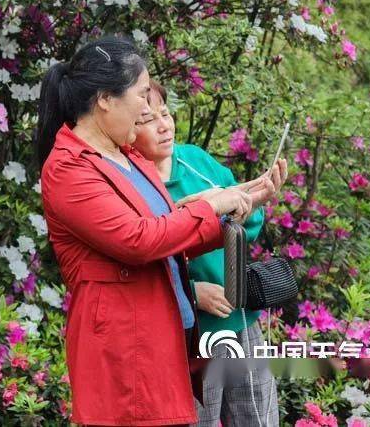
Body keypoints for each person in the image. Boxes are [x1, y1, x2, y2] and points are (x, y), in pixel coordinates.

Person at [36, 36, 260, 427]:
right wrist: (211, 207)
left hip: (165, 335)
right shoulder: (68, 168)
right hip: (126, 349)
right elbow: (137, 240)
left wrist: (232, 209)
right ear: (106, 98)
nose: (147, 108)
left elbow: (168, 231)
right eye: (141, 95)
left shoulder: (127, 156)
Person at [131, 79, 288, 427]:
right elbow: (140, 257)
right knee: (196, 419)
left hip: (241, 320)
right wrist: (191, 292)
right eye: (147, 118)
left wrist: (254, 201)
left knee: (259, 417)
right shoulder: (132, 184)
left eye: (166, 113)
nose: (163, 125)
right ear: (127, 127)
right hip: (191, 332)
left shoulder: (195, 161)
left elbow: (248, 221)